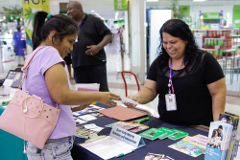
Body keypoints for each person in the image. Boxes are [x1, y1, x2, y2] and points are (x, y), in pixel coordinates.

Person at [23, 11, 120, 160]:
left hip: (42, 142)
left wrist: (75, 106)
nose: (71, 48)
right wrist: (99, 95)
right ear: (55, 37)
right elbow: (61, 95)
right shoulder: (50, 53)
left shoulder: (35, 54)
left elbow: (48, 98)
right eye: (70, 41)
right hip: (52, 145)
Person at [123, 19, 226, 126]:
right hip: (166, 124)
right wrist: (137, 98)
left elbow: (218, 93)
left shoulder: (205, 60)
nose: (168, 47)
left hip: (198, 127)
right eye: (165, 42)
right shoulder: (160, 62)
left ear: (186, 40)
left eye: (173, 42)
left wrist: (218, 126)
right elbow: (150, 89)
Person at [67, 1, 112, 91]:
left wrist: (98, 47)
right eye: (67, 10)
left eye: (70, 9)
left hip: (96, 65)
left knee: (101, 93)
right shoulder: (69, 25)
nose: (68, 12)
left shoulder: (94, 21)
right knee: (84, 95)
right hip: (78, 66)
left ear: (79, 9)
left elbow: (108, 35)